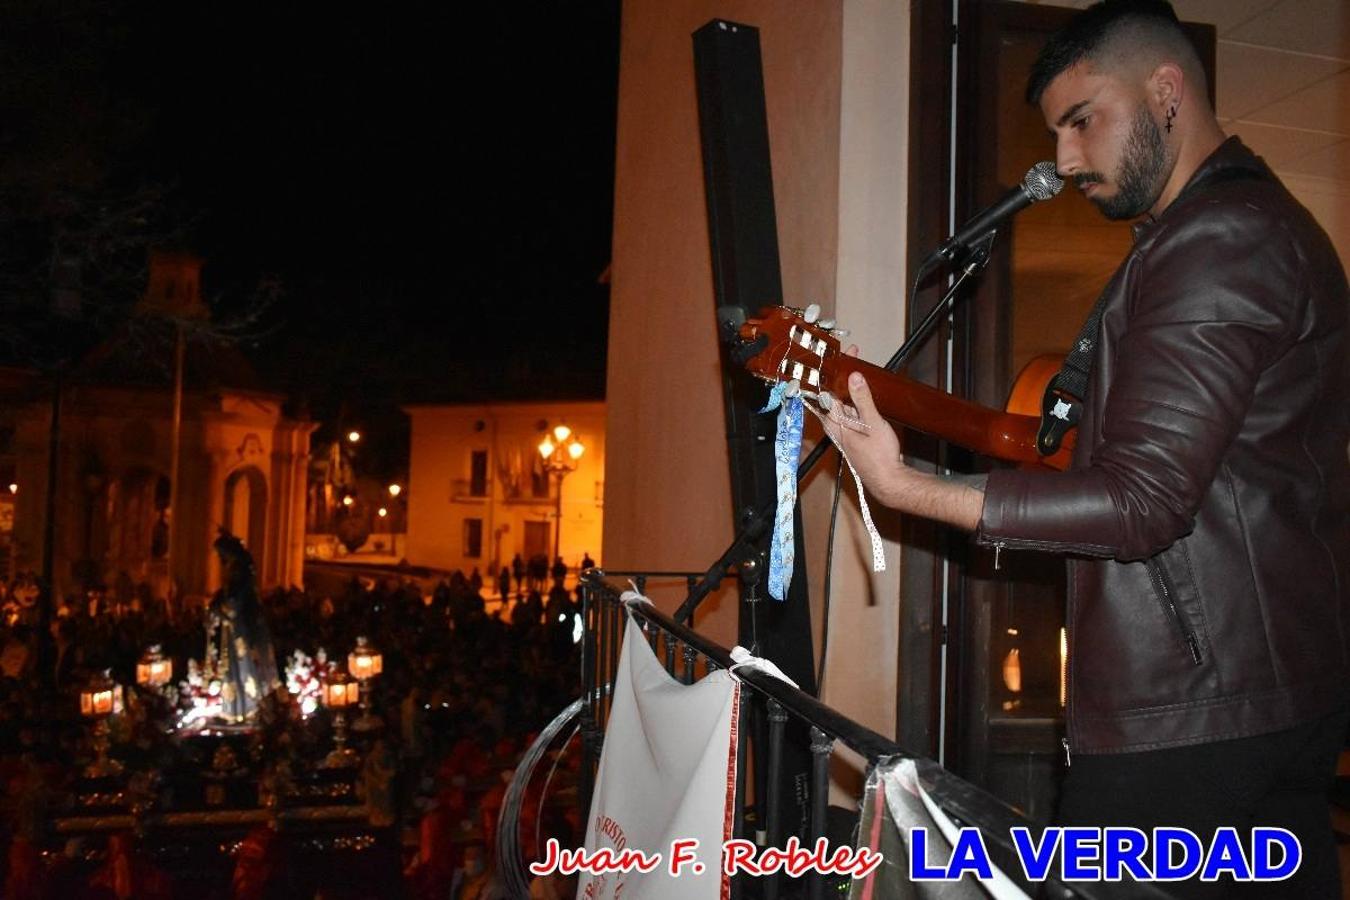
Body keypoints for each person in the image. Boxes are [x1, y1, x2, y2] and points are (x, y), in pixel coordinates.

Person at [827, 2, 1349, 896]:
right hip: (1246, 701)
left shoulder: (1221, 239)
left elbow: (1142, 503)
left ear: (1166, 91)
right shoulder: (1237, 231)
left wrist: (907, 485)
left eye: (1082, 121)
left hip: (1193, 727)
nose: (1064, 161)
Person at [207, 529, 281, 722]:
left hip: (240, 629)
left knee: (242, 665)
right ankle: (235, 708)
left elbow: (233, 603)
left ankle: (246, 707)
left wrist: (217, 605)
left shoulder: (239, 571)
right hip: (234, 629)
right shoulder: (237, 570)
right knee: (233, 666)